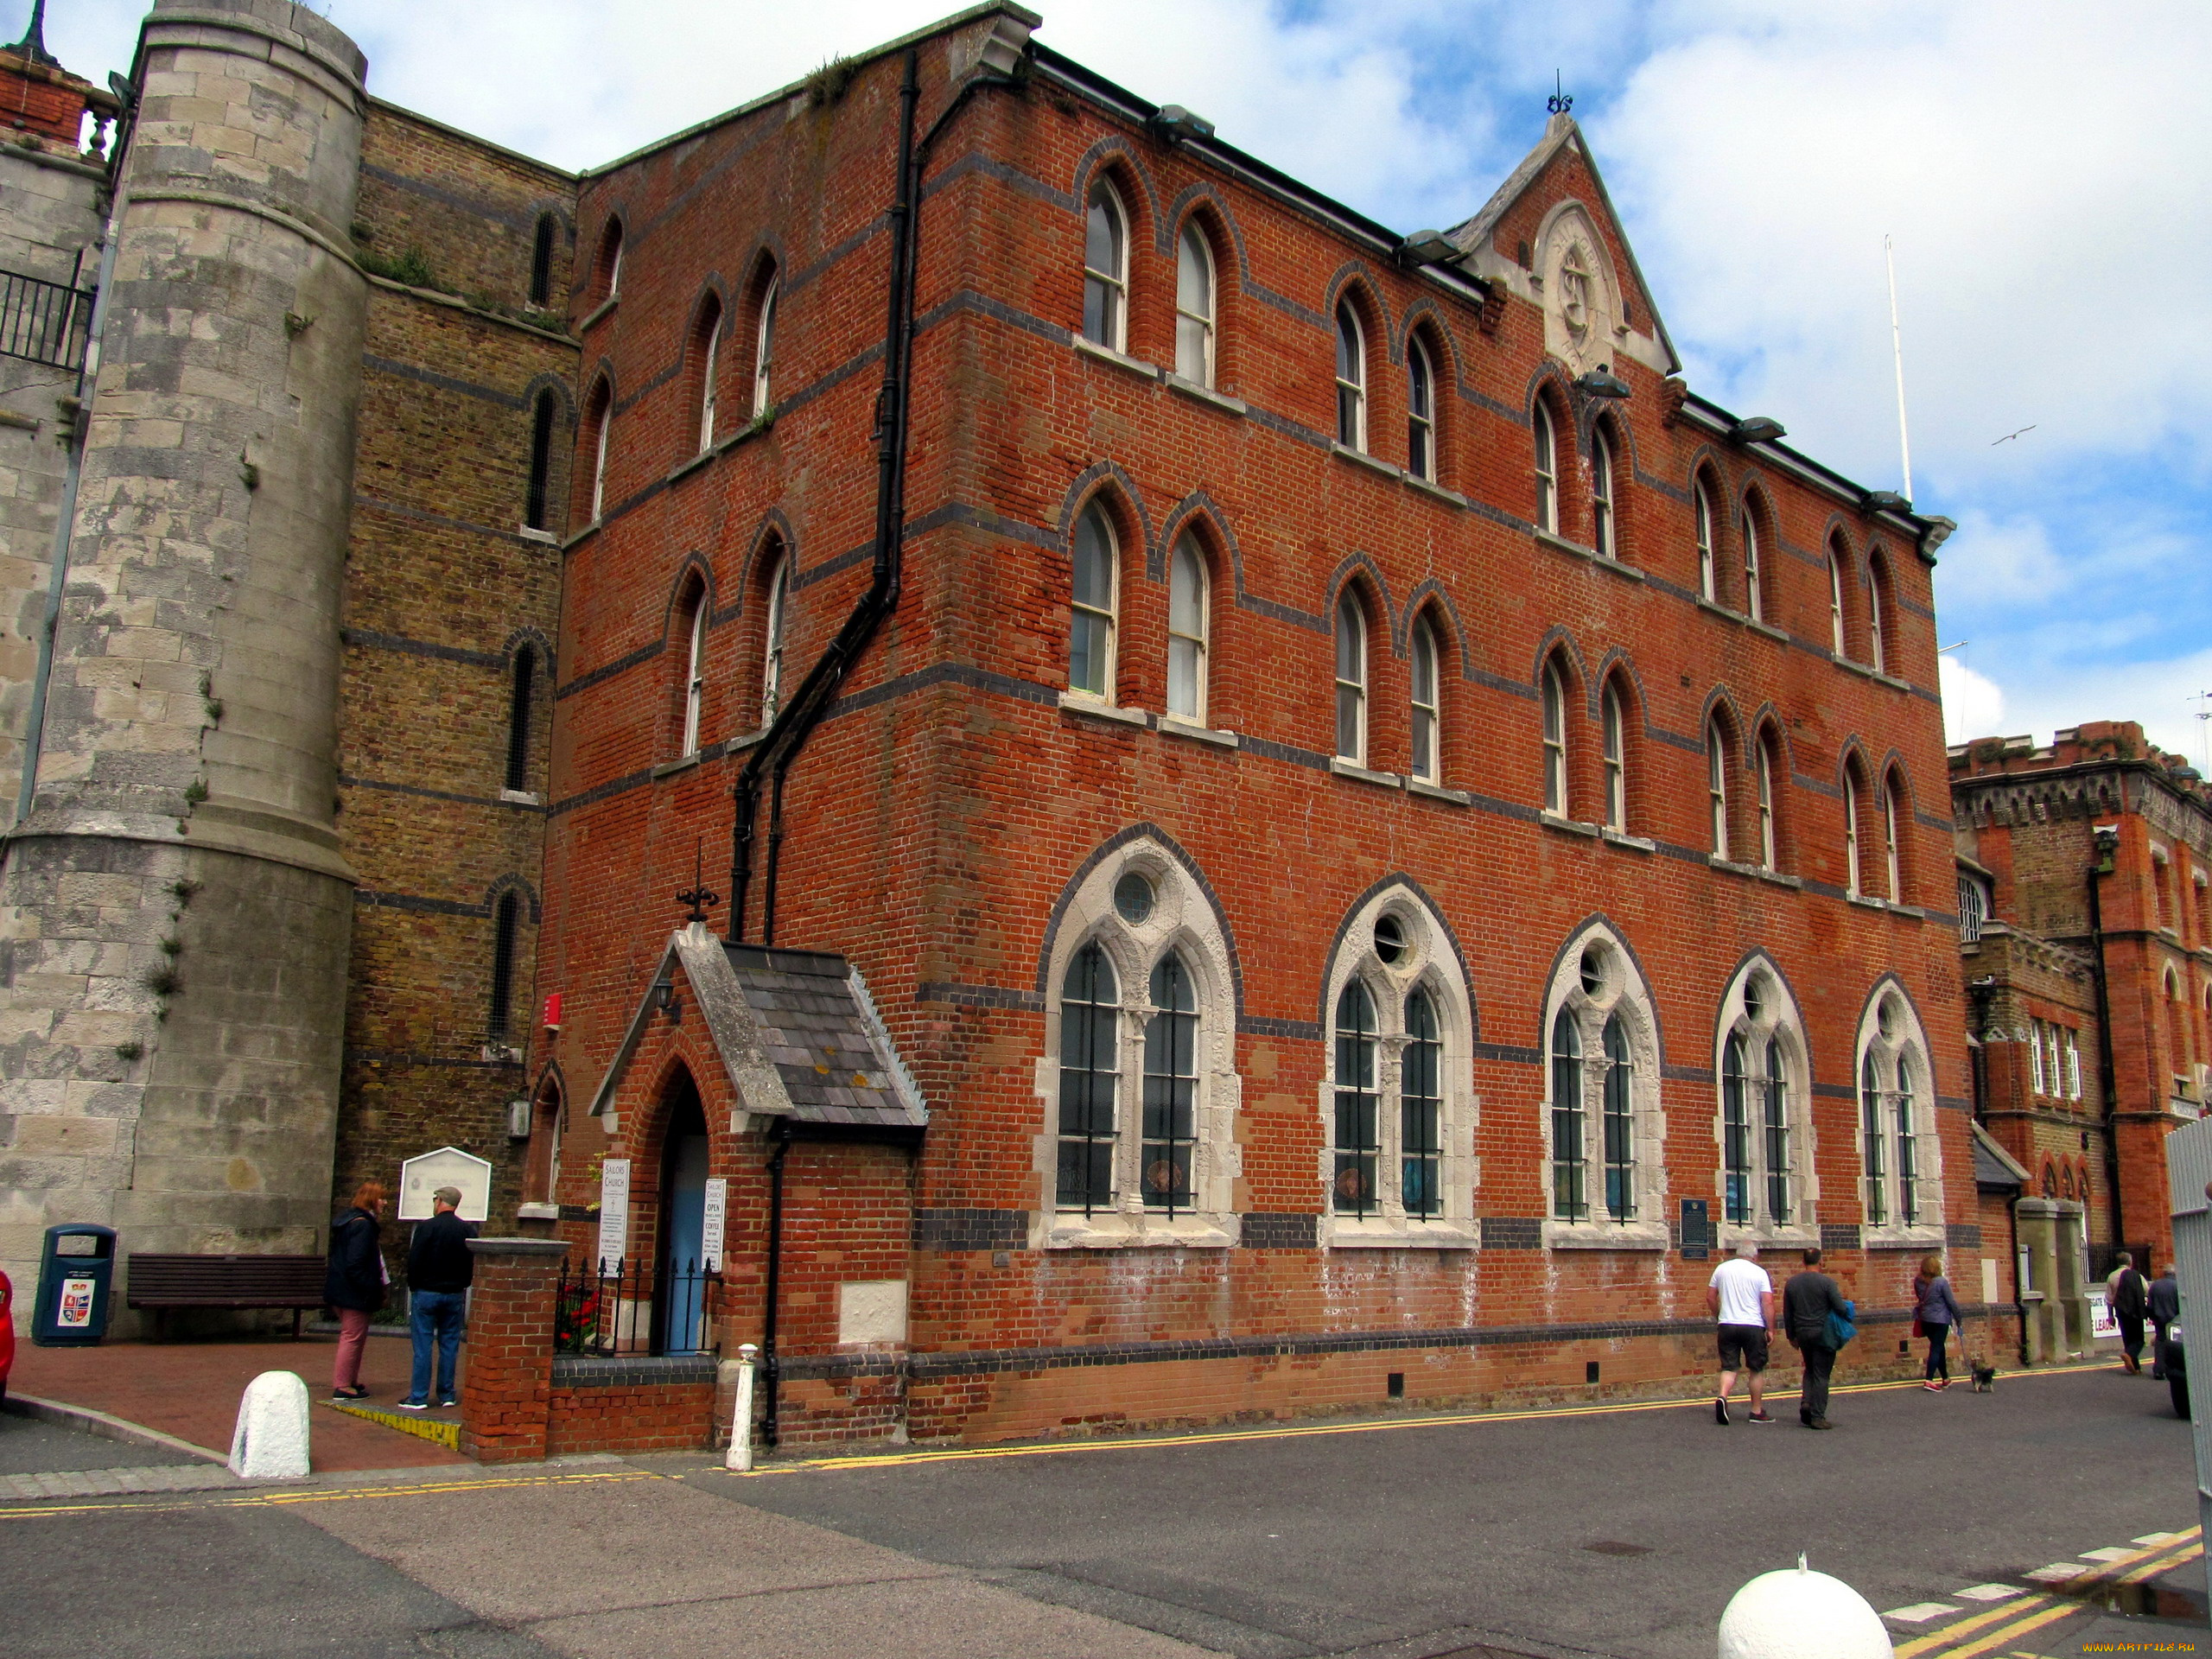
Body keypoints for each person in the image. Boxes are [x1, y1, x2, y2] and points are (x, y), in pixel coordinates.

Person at [400, 1186, 477, 1410]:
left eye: (435, 1199)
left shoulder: (427, 1227)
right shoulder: (467, 1229)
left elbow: (415, 1260)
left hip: (427, 1292)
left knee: (423, 1346)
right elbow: (471, 1260)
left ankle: (419, 1396)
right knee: (449, 1346)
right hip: (454, 1294)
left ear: (441, 1201)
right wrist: (463, 1283)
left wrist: (415, 1286)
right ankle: (446, 1394)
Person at [324, 1180, 387, 1401]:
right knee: (352, 1337)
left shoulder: (349, 1221)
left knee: (355, 1337)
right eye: (381, 1198)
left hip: (341, 1288)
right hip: (353, 1292)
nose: (384, 1202)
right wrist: (369, 1288)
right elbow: (356, 1262)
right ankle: (342, 1385)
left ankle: (350, 1380)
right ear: (371, 1199)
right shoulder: (363, 1225)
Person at [1707, 1241, 1777, 1425]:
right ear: (1754, 1256)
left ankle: (1722, 1397)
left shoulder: (1721, 1269)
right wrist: (1770, 1328)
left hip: (1727, 1323)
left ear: (1738, 1253)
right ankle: (1756, 1410)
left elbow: (1710, 1296)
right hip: (1752, 1325)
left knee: (1729, 1367)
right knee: (1756, 1368)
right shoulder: (1760, 1272)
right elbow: (1767, 1303)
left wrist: (1718, 1315)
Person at [1783, 1247, 1852, 1430]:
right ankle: (1817, 1416)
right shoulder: (1827, 1283)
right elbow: (1840, 1308)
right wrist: (1847, 1310)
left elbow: (1787, 1313)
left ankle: (1806, 1403)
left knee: (1810, 1369)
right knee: (1822, 1374)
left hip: (1802, 1332)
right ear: (1820, 1261)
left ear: (1803, 1262)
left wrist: (1791, 1335)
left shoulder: (1792, 1283)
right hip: (1823, 1333)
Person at [1912, 1252, 1965, 1390]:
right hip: (1940, 1320)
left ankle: (1945, 1378)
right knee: (1936, 1348)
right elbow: (1951, 1302)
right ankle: (1929, 1380)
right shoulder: (1941, 1282)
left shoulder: (1918, 1281)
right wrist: (1958, 1319)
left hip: (1925, 1319)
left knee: (1939, 1347)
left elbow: (1921, 1298)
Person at [2110, 1252, 2148, 1375]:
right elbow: (2146, 1291)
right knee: (2139, 1340)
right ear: (2130, 1262)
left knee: (2128, 1338)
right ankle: (2129, 1355)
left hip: (2120, 1310)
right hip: (2135, 1310)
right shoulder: (2137, 1276)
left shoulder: (2112, 1276)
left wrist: (2110, 1315)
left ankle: (2136, 1368)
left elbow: (2109, 1299)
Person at [2149, 1264, 2180, 1380]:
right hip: (2174, 1320)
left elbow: (2150, 1304)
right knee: (2175, 1345)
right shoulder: (2177, 1285)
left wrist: (2153, 1317)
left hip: (2159, 1319)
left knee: (2160, 1344)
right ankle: (2173, 1368)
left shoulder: (2155, 1285)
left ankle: (2158, 1370)